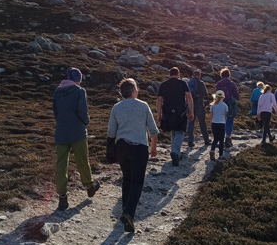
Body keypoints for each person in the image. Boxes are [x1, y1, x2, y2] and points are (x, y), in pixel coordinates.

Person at [108, 78, 159, 233]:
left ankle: (125, 212)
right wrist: (154, 148)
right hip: (139, 147)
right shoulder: (143, 106)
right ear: (134, 90)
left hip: (122, 147)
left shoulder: (116, 107)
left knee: (127, 179)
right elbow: (153, 130)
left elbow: (111, 132)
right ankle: (128, 213)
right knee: (137, 182)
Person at [52, 67, 99, 210]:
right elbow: (82, 111)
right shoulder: (79, 91)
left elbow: (55, 111)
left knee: (61, 164)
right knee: (82, 160)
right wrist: (86, 122)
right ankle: (89, 186)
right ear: (78, 79)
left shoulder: (57, 91)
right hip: (78, 132)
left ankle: (62, 197)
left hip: (61, 132)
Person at [157, 67, 194, 166]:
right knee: (180, 132)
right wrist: (191, 112)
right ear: (178, 75)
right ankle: (175, 152)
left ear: (169, 75)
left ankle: (174, 151)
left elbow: (159, 100)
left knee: (173, 131)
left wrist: (159, 114)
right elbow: (189, 97)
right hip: (180, 111)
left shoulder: (163, 84)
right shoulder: (182, 83)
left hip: (167, 111)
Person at [215, 68, 240, 146]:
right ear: (229, 75)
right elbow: (237, 95)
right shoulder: (232, 83)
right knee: (230, 120)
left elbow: (216, 94)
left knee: (221, 121)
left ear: (221, 75)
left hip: (220, 103)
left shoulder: (219, 84)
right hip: (229, 104)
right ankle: (228, 138)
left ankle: (220, 138)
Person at [187, 70, 211, 148]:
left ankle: (190, 141)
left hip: (191, 106)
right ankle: (206, 140)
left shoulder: (189, 83)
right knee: (202, 123)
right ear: (199, 76)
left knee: (191, 123)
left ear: (192, 76)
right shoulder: (201, 83)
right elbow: (205, 93)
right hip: (200, 105)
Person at [209, 90, 229, 161]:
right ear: (223, 97)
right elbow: (225, 116)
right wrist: (224, 122)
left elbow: (211, 115)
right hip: (221, 123)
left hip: (214, 123)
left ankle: (212, 150)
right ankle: (220, 156)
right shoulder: (225, 106)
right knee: (221, 140)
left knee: (215, 139)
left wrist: (212, 122)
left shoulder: (213, 105)